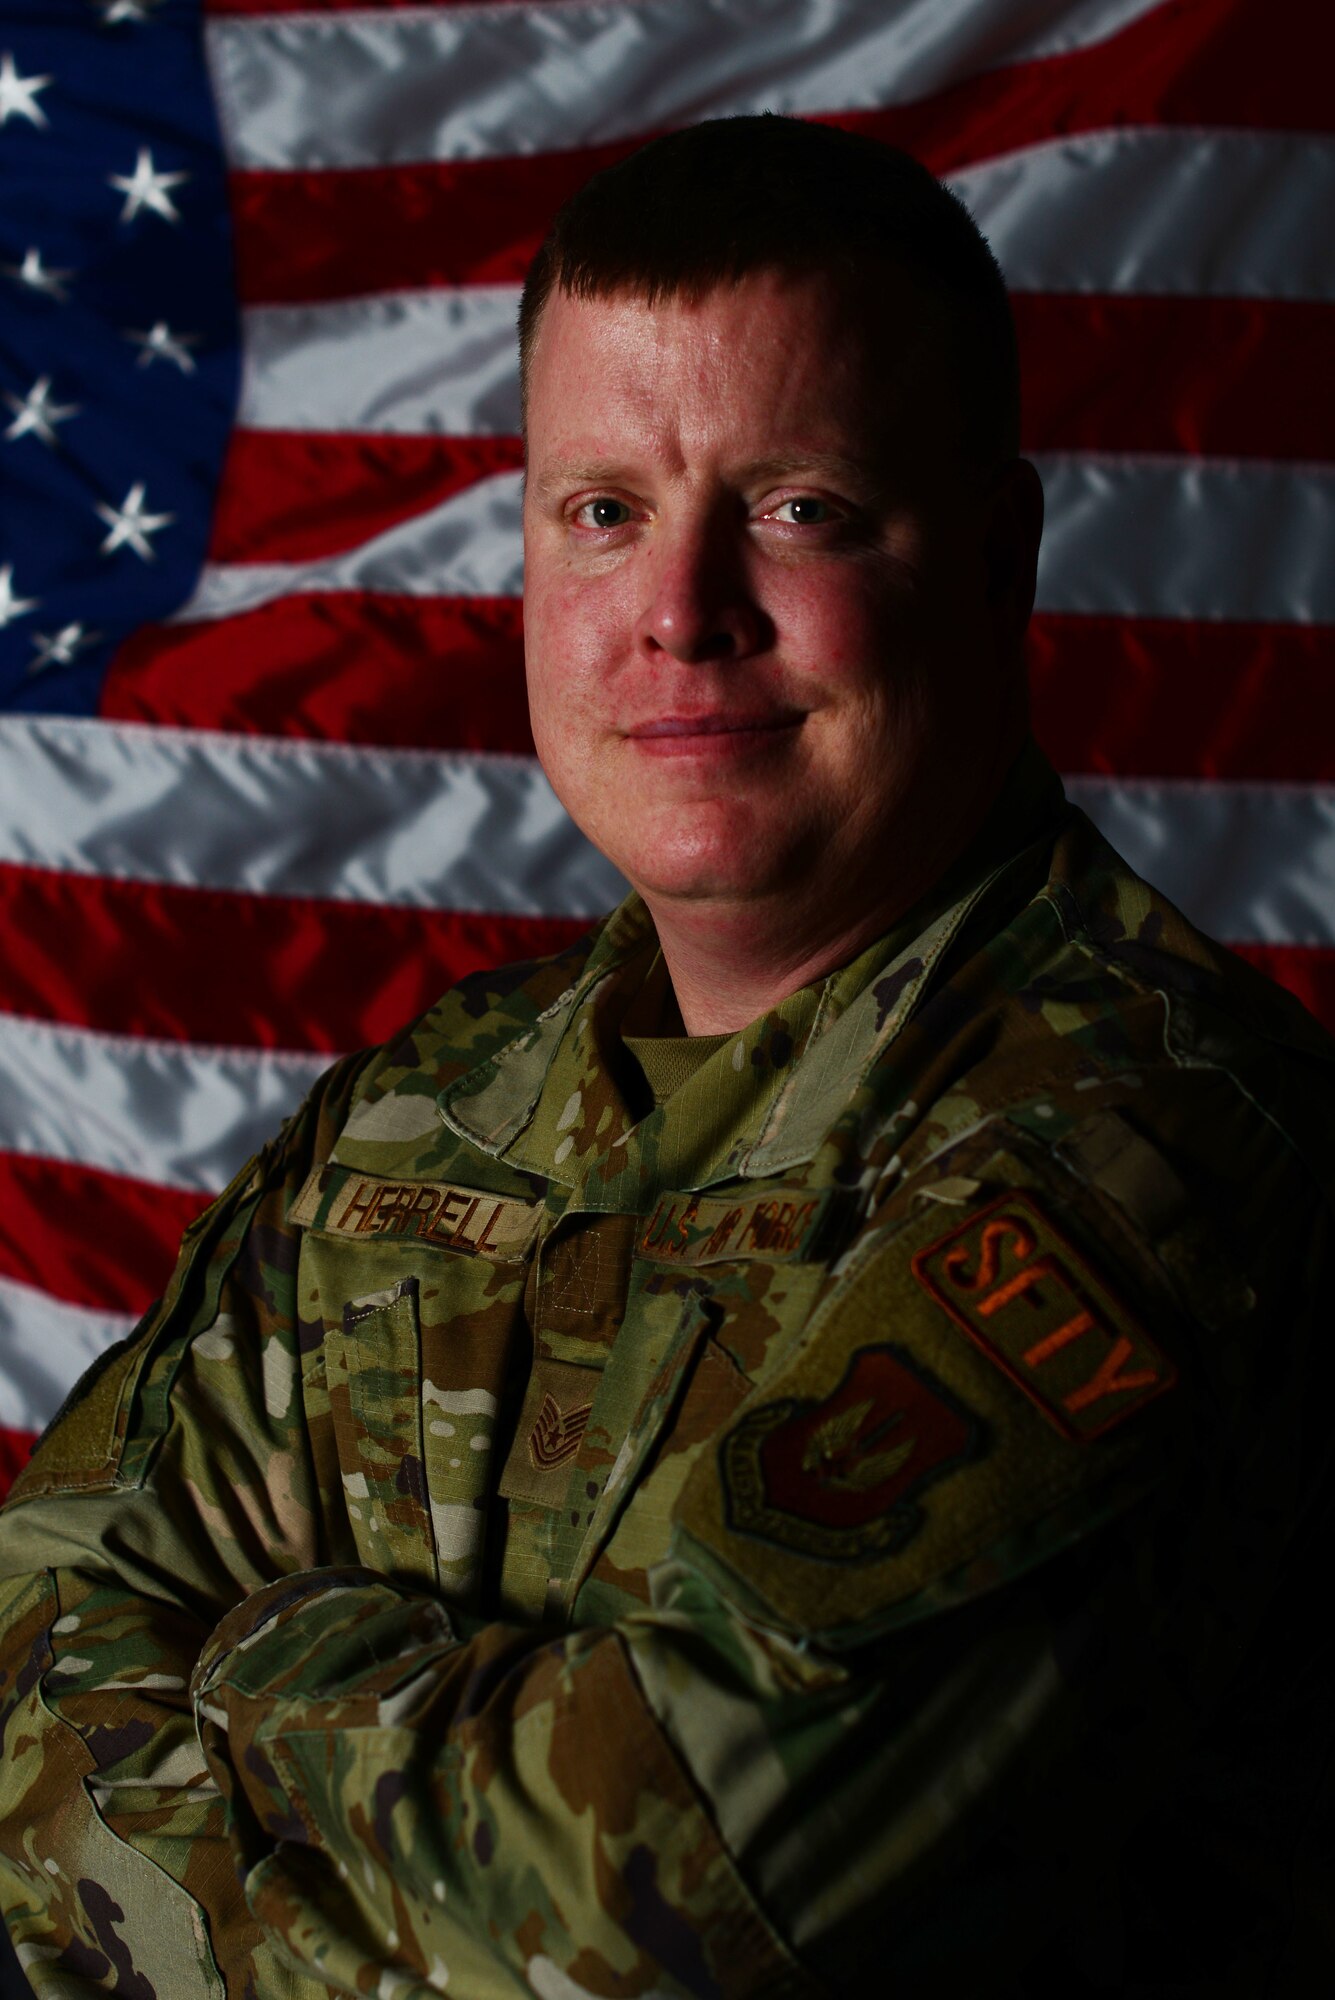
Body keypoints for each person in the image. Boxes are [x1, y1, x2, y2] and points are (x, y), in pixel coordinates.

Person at [1, 115, 1332, 1998]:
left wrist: (239, 1675)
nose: (681, 613)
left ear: (996, 556)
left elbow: (668, 1923)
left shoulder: (1151, 1151)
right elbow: (21, 1650)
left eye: (801, 509)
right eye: (604, 509)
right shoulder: (430, 1104)